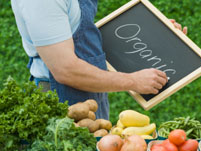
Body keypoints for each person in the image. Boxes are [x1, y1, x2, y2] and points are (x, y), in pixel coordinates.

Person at [11, 0, 187, 120]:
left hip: (92, 97)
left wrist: (159, 34)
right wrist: (133, 80)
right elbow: (65, 70)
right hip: (61, 101)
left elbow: (84, 42)